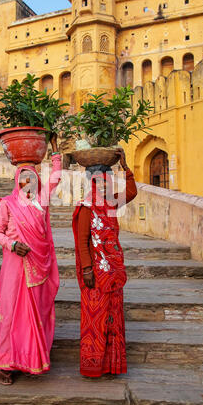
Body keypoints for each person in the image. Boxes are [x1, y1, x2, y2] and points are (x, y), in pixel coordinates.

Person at [0, 134, 62, 385]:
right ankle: (6, 365)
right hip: (15, 268)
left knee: (34, 314)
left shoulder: (41, 202)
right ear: (17, 180)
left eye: (32, 177)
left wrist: (55, 149)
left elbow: (56, 178)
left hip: (38, 268)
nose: (28, 181)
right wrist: (11, 244)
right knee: (11, 313)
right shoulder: (7, 204)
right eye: (24, 177)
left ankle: (31, 359)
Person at [72, 149, 138, 378]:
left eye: (105, 182)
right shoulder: (86, 208)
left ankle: (112, 364)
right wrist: (87, 269)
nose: (101, 186)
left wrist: (125, 167)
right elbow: (82, 241)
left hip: (114, 272)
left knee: (113, 316)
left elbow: (131, 191)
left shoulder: (111, 203)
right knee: (95, 317)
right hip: (96, 273)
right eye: (97, 182)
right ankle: (94, 365)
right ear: (90, 184)